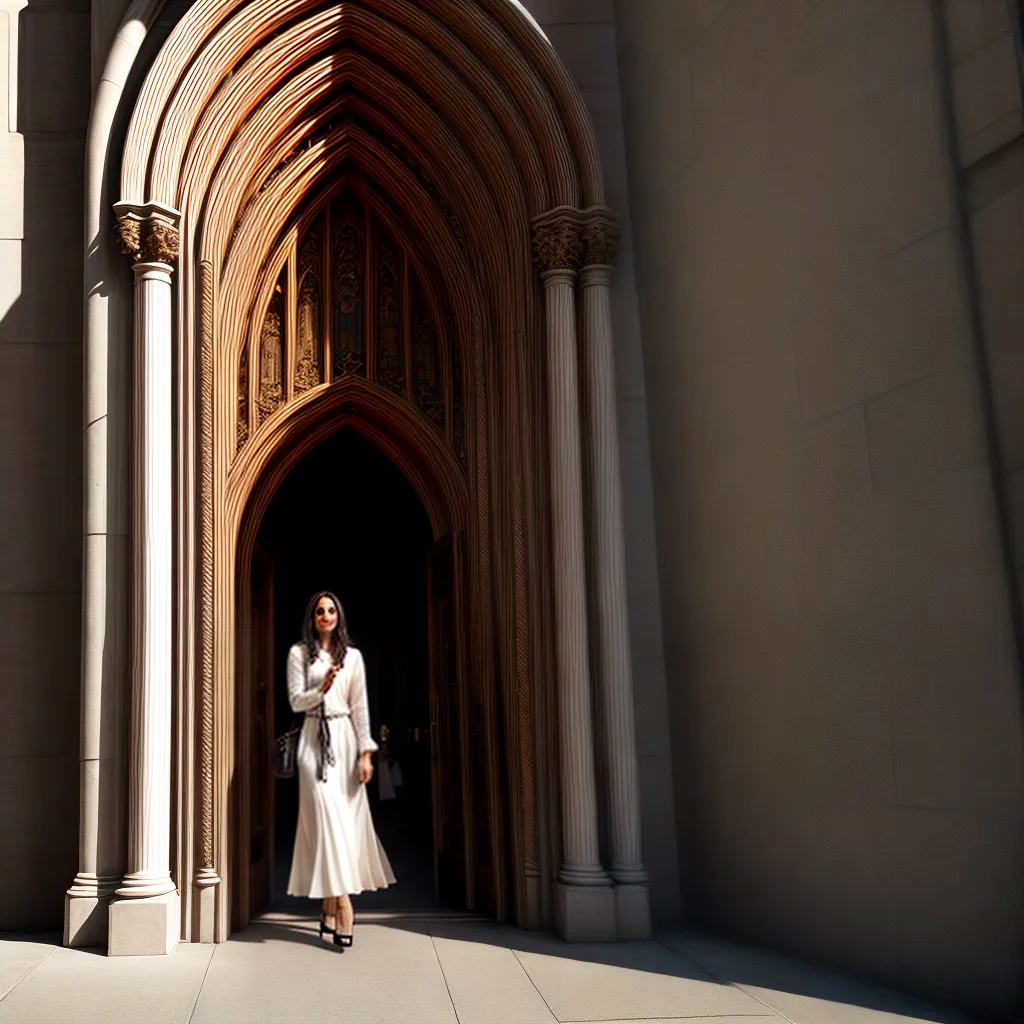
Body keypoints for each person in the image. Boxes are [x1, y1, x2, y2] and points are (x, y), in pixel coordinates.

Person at [286, 590, 395, 946]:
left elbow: (360, 707)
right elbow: (295, 700)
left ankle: (329, 908)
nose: (326, 615)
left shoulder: (355, 658)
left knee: (345, 827)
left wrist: (366, 753)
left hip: (346, 741)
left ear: (339, 615)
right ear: (312, 617)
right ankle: (345, 906)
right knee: (325, 819)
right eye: (320, 610)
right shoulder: (299, 654)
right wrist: (322, 688)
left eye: (331, 610)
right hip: (313, 740)